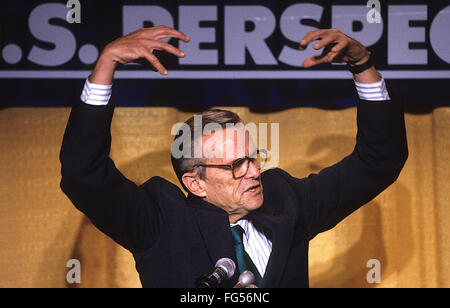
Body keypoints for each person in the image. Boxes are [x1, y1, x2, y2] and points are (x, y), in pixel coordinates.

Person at [59, 26, 408, 287]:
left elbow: (378, 160)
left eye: (253, 158)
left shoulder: (285, 201)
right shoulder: (160, 221)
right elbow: (83, 174)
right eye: (236, 165)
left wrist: (363, 65)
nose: (254, 172)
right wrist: (106, 64)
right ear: (195, 183)